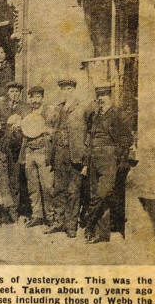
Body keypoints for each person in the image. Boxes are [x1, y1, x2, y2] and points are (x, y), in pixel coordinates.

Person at [84, 86, 132, 244]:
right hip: (93, 159)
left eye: (104, 95)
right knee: (94, 195)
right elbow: (89, 138)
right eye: (99, 95)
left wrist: (120, 158)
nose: (101, 99)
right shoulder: (95, 115)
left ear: (110, 97)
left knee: (102, 193)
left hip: (109, 159)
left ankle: (89, 223)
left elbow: (126, 139)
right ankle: (101, 234)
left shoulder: (119, 114)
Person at [46, 78, 91, 238]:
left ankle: (71, 225)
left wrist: (86, 157)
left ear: (74, 90)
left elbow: (90, 134)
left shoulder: (83, 108)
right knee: (59, 190)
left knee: (73, 191)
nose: (66, 92)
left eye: (69, 89)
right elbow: (51, 130)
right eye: (63, 89)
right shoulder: (57, 109)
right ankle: (58, 222)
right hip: (59, 154)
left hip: (75, 156)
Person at [19, 86, 54, 228]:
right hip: (29, 151)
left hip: (43, 152)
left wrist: (48, 130)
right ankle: (37, 215)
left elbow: (55, 130)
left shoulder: (49, 112)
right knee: (32, 185)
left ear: (42, 98)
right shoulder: (26, 113)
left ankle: (50, 216)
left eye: (38, 97)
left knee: (47, 185)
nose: (35, 100)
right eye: (32, 97)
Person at [0, 81, 31, 221]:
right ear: (8, 93)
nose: (14, 94)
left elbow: (29, 126)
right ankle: (4, 210)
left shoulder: (25, 108)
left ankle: (15, 211)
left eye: (17, 92)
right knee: (4, 178)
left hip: (19, 147)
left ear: (20, 93)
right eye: (12, 91)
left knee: (16, 179)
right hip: (4, 147)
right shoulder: (1, 108)